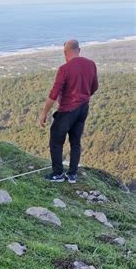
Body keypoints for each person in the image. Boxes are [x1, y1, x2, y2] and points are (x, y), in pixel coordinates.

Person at [39, 40, 99, 183]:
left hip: (67, 110)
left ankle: (58, 173)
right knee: (75, 141)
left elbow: (54, 94)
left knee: (56, 140)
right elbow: (94, 87)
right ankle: (72, 174)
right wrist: (83, 97)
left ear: (65, 53)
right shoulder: (91, 64)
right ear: (79, 50)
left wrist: (44, 113)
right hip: (83, 108)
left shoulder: (64, 69)